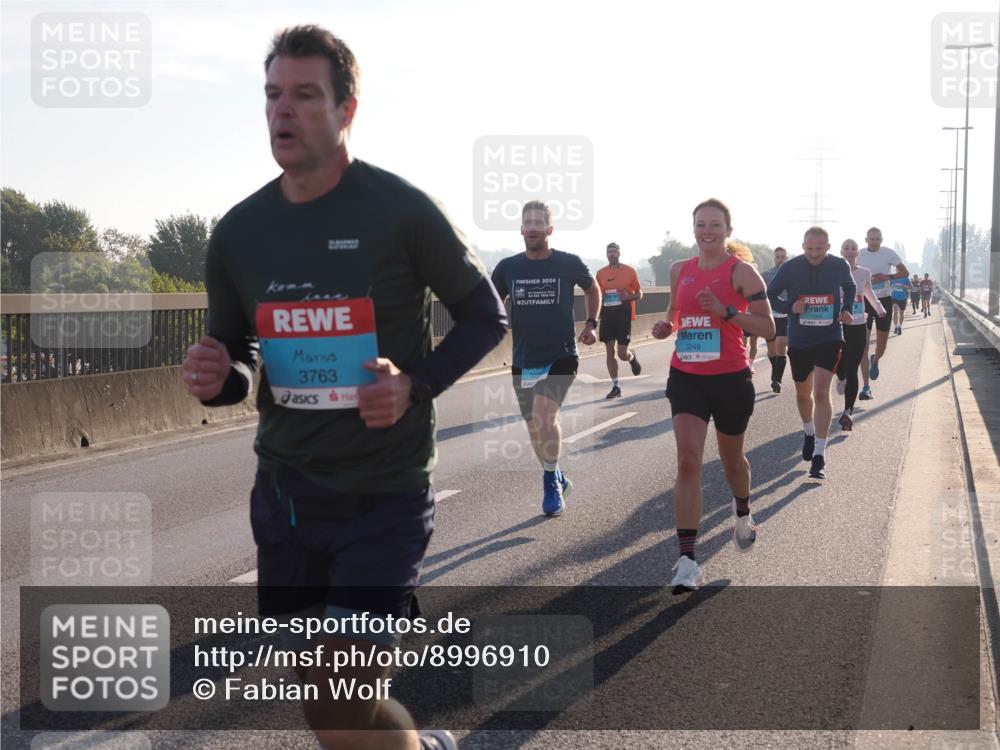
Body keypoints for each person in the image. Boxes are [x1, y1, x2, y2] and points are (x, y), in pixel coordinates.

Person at [181, 25, 507, 750]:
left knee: (336, 705)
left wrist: (415, 384)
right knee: (330, 715)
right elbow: (239, 356)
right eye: (272, 96)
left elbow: (485, 313)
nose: (282, 112)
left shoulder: (401, 210)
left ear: (346, 109)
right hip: (287, 496)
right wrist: (216, 378)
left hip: (383, 496)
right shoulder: (239, 231)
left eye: (304, 95)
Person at [652, 199, 774, 593]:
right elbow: (675, 310)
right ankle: (687, 560)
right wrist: (665, 324)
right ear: (693, 228)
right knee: (688, 461)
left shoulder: (742, 272)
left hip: (730, 378)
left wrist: (726, 312)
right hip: (686, 374)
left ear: (728, 230)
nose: (708, 231)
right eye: (701, 224)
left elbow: (769, 328)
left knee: (731, 461)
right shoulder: (679, 270)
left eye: (715, 225)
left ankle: (742, 511)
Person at [491, 200, 601, 517]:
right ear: (522, 229)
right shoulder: (507, 267)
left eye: (539, 223)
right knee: (533, 428)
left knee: (543, 417)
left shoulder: (567, 263)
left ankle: (550, 483)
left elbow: (592, 289)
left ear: (549, 229)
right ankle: (557, 474)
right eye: (528, 223)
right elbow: (491, 301)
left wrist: (592, 324)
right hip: (524, 357)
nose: (533, 228)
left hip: (561, 354)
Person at [767, 226, 855, 479]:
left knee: (820, 391)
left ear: (828, 247)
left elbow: (849, 288)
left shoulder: (839, 265)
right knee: (803, 394)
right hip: (800, 338)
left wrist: (847, 308)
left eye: (819, 248)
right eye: (809, 248)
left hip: (829, 336)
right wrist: (789, 306)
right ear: (803, 246)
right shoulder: (791, 267)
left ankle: (819, 454)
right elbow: (770, 294)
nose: (814, 253)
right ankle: (808, 430)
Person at [835, 239, 885, 431]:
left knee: (853, 366)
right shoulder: (834, 272)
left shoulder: (864, 273)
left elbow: (868, 292)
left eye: (853, 248)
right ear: (841, 251)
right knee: (839, 365)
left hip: (858, 325)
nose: (849, 251)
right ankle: (840, 375)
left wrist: (879, 308)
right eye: (846, 248)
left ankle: (847, 411)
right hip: (837, 326)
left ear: (858, 253)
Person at [857, 227, 908, 399]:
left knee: (882, 346)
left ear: (881, 239)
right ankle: (866, 387)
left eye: (877, 239)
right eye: (871, 239)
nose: (874, 242)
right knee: (862, 345)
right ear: (866, 240)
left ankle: (876, 359)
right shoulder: (859, 254)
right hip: (863, 301)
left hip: (884, 300)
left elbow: (905, 272)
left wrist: (887, 277)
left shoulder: (889, 254)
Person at [595, 242, 642, 399]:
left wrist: (629, 297)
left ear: (619, 254)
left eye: (614, 252)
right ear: (606, 255)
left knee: (622, 353)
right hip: (607, 315)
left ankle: (632, 357)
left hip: (624, 315)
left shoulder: (629, 271)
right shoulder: (600, 274)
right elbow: (597, 296)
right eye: (609, 252)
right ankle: (616, 386)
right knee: (609, 350)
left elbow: (640, 293)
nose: (612, 254)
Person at [760, 246, 789, 393]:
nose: (781, 260)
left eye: (783, 257)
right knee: (772, 352)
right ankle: (775, 372)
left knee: (781, 346)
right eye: (778, 257)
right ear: (774, 258)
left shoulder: (793, 274)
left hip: (787, 316)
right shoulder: (766, 275)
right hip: (770, 316)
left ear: (787, 257)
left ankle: (776, 380)